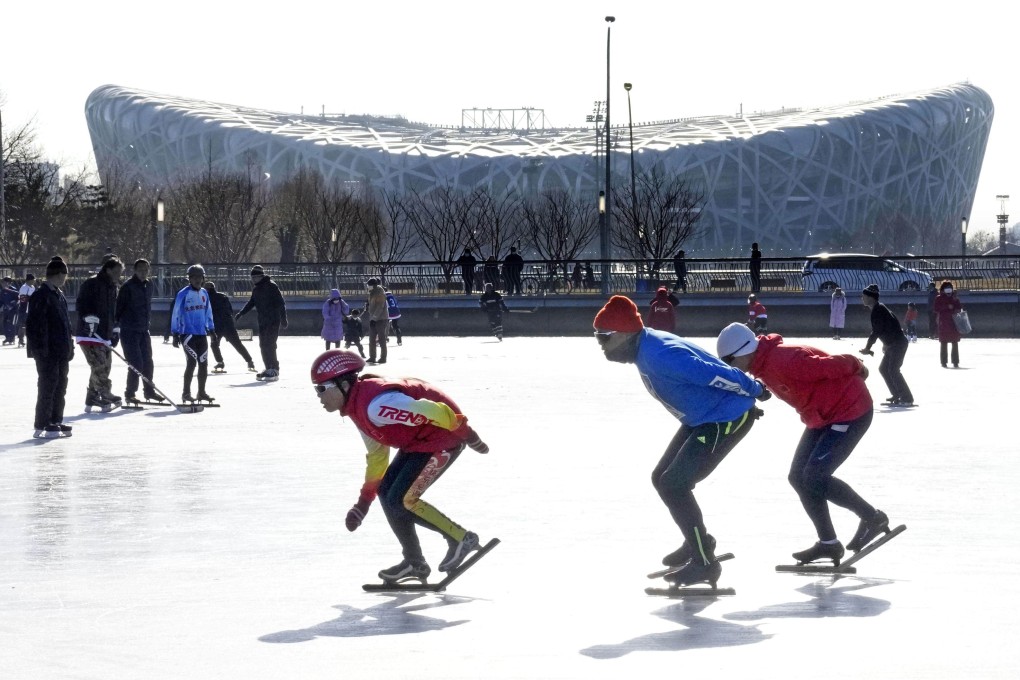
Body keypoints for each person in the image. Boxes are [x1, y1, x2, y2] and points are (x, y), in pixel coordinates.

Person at [593, 295, 768, 587]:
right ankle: (697, 539)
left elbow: (713, 371)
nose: (599, 343)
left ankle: (704, 562)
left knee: (675, 483)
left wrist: (754, 390)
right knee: (662, 478)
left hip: (725, 418)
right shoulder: (646, 347)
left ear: (624, 334)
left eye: (603, 337)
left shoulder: (661, 354)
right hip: (704, 417)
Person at [716, 322, 892, 564]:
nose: (729, 366)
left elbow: (836, 363)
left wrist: (858, 366)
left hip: (850, 410)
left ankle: (873, 518)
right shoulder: (762, 365)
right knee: (798, 477)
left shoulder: (786, 360)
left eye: (729, 361)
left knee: (815, 476)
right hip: (821, 417)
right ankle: (828, 543)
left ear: (744, 351)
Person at [310, 349, 491, 583]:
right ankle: (414, 563)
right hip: (418, 443)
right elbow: (377, 457)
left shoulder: (375, 405)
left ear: (343, 384)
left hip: (444, 438)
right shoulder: (357, 409)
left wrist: (469, 435)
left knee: (405, 499)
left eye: (321, 388)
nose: (318, 396)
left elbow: (435, 411)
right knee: (387, 492)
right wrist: (363, 504)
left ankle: (460, 538)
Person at [25, 257, 75, 438]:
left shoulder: (58, 294)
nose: (65, 278)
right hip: (47, 352)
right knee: (47, 386)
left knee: (61, 386)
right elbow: (34, 325)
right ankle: (42, 422)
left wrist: (70, 348)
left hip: (61, 351)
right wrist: (40, 350)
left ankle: (55, 419)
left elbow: (66, 324)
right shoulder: (41, 295)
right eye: (65, 274)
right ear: (59, 274)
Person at [76, 256, 124, 410]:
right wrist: (88, 318)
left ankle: (92, 397)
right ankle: (105, 393)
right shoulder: (92, 283)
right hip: (89, 333)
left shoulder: (113, 287)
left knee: (105, 365)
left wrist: (115, 328)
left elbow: (113, 310)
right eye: (116, 272)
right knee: (99, 366)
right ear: (108, 270)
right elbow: (81, 304)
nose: (118, 275)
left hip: (104, 333)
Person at [115, 259, 163, 404]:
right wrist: (116, 327)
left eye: (146, 269)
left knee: (148, 362)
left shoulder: (149, 285)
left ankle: (149, 391)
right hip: (129, 330)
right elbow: (118, 309)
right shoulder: (127, 287)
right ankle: (130, 393)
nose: (143, 272)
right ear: (134, 271)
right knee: (135, 363)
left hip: (143, 330)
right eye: (140, 269)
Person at [859, 284, 914, 406]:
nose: (862, 298)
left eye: (864, 296)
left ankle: (907, 398)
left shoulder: (878, 310)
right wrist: (885, 344)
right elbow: (886, 328)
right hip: (892, 344)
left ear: (871, 298)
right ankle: (897, 394)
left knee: (893, 370)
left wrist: (868, 348)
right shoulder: (878, 308)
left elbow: (876, 331)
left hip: (897, 344)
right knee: (884, 369)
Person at [235, 264, 288, 382]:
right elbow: (251, 303)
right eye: (252, 278)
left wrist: (284, 319)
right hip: (263, 321)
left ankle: (274, 368)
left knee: (270, 344)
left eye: (255, 278)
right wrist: (241, 313)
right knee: (263, 345)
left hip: (273, 320)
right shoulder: (256, 289)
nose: (253, 280)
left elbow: (281, 303)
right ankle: (268, 367)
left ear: (261, 276)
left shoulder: (272, 286)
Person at [171, 265, 215, 402]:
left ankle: (201, 392)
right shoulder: (183, 294)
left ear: (203, 278)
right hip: (187, 334)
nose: (197, 280)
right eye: (194, 277)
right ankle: (186, 393)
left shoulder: (204, 293)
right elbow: (175, 314)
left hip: (201, 334)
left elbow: (209, 313)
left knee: (203, 363)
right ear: (189, 279)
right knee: (191, 363)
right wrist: (175, 333)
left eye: (199, 277)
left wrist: (212, 330)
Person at [203, 281, 256, 372]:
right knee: (237, 344)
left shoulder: (206, 299)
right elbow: (230, 310)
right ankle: (250, 361)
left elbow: (206, 313)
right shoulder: (223, 296)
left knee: (214, 345)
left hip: (217, 326)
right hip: (228, 324)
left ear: (206, 289)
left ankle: (220, 362)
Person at [933, 280, 964, 367]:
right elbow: (936, 309)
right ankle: (943, 362)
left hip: (954, 322)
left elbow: (959, 308)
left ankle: (955, 361)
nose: (948, 289)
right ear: (943, 289)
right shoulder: (939, 298)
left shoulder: (955, 298)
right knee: (943, 342)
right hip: (944, 322)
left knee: (955, 342)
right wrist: (946, 307)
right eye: (947, 288)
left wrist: (954, 308)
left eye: (950, 287)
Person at [366, 277, 389, 364]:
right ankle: (372, 357)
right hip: (373, 319)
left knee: (382, 339)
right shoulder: (371, 292)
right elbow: (372, 305)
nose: (368, 287)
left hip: (381, 319)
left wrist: (374, 318)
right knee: (371, 339)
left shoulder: (380, 292)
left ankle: (383, 358)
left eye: (370, 285)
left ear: (375, 285)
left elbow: (380, 307)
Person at [17, 273, 36, 347]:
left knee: (31, 325)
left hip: (31, 308)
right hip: (24, 309)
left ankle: (31, 339)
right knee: (22, 324)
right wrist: (30, 298)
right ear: (29, 280)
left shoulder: (33, 287)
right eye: (33, 279)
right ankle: (20, 339)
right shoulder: (24, 288)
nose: (34, 281)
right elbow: (23, 299)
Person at [0, 277, 18, 345]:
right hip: (5, 310)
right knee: (5, 323)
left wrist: (12, 305)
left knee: (11, 323)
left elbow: (18, 299)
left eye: (3, 282)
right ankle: (7, 337)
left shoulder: (13, 289)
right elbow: (1, 301)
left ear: (8, 283)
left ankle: (12, 338)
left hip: (13, 310)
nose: (1, 283)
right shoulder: (3, 290)